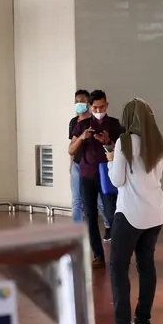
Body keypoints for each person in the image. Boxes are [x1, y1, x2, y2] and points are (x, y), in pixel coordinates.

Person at [99, 99, 163, 324]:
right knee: (146, 264)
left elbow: (117, 180)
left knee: (118, 266)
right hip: (155, 212)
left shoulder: (124, 141)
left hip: (129, 213)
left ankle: (121, 323)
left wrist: (109, 162)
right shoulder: (157, 142)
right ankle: (142, 320)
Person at [69, 90, 123, 267]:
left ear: (107, 105)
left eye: (101, 106)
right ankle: (98, 255)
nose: (99, 110)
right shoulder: (83, 124)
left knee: (111, 213)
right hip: (87, 174)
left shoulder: (114, 125)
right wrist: (82, 138)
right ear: (89, 107)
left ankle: (118, 255)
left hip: (108, 175)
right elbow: (71, 150)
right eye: (95, 107)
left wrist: (108, 142)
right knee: (89, 216)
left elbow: (123, 152)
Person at [69, 89, 92, 224]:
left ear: (88, 103)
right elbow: (71, 146)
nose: (79, 104)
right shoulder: (73, 122)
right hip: (77, 164)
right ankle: (76, 228)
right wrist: (71, 165)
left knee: (97, 200)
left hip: (90, 165)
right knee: (76, 199)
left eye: (82, 102)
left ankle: (108, 227)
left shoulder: (92, 121)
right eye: (77, 102)